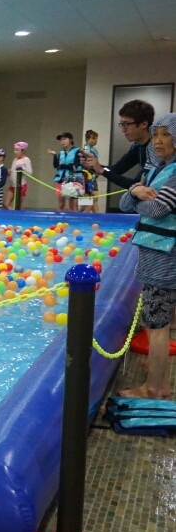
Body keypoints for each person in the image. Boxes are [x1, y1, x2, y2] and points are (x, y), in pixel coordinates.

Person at [117, 112, 176, 400]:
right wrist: (136, 191)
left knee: (157, 324)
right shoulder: (158, 169)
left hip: (165, 257)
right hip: (154, 255)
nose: (159, 140)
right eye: (156, 135)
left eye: (166, 134)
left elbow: (157, 209)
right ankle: (158, 377)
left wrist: (136, 196)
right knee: (154, 321)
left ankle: (154, 388)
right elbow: (123, 203)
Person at [82, 100, 155, 190]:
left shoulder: (156, 148)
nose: (123, 129)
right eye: (122, 124)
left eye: (126, 124)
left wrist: (101, 170)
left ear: (144, 124)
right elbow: (116, 169)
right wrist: (92, 165)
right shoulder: (138, 146)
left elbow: (136, 184)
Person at [49, 132, 85, 212]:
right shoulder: (61, 153)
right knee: (61, 204)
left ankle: (75, 219)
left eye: (64, 139)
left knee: (72, 205)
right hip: (61, 179)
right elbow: (56, 166)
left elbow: (75, 167)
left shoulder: (78, 151)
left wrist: (63, 165)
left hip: (73, 180)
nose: (62, 141)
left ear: (70, 140)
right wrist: (55, 156)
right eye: (61, 140)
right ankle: (58, 219)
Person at [4, 142, 33, 210]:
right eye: (15, 150)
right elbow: (14, 170)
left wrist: (23, 168)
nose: (15, 152)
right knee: (5, 204)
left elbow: (30, 172)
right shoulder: (15, 160)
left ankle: (19, 215)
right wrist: (10, 172)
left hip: (21, 185)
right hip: (12, 185)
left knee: (19, 205)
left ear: (23, 151)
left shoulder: (26, 159)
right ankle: (13, 213)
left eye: (17, 150)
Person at [81, 130, 101, 212]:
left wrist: (98, 171)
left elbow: (97, 162)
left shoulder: (95, 150)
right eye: (93, 138)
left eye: (96, 139)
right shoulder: (84, 149)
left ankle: (97, 217)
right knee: (86, 201)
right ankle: (81, 215)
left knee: (95, 198)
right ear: (87, 139)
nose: (95, 141)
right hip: (85, 176)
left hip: (93, 176)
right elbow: (86, 163)